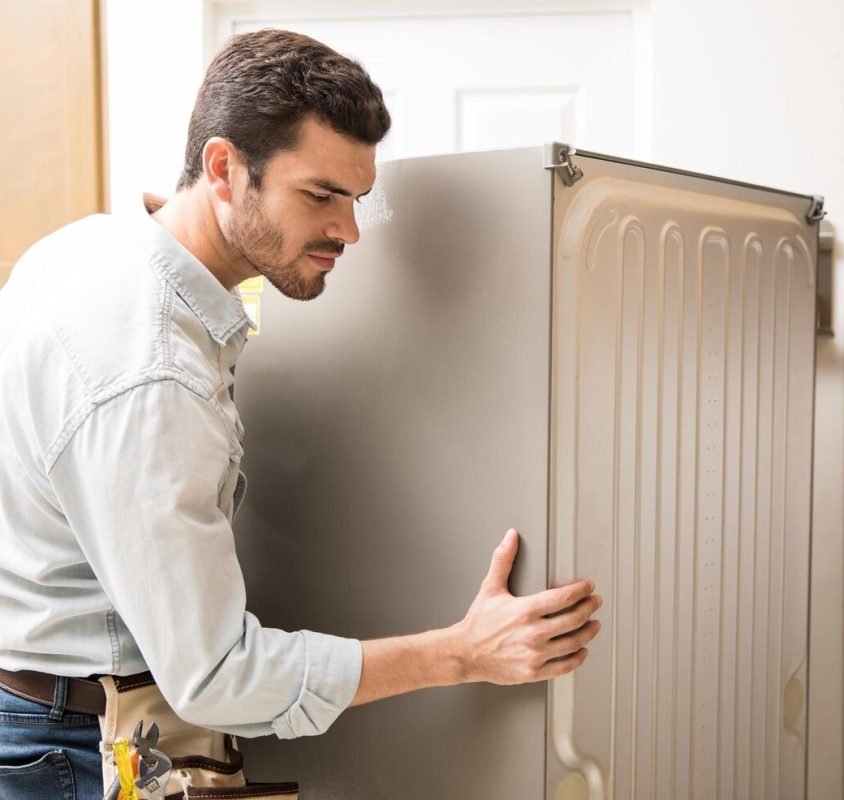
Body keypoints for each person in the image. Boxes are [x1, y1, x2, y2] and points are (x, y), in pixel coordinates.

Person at [0, 28, 601, 799]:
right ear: (224, 168)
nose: (349, 231)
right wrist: (463, 653)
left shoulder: (88, 248)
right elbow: (216, 676)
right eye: (320, 195)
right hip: (86, 750)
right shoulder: (153, 375)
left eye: (356, 198)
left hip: (41, 713)